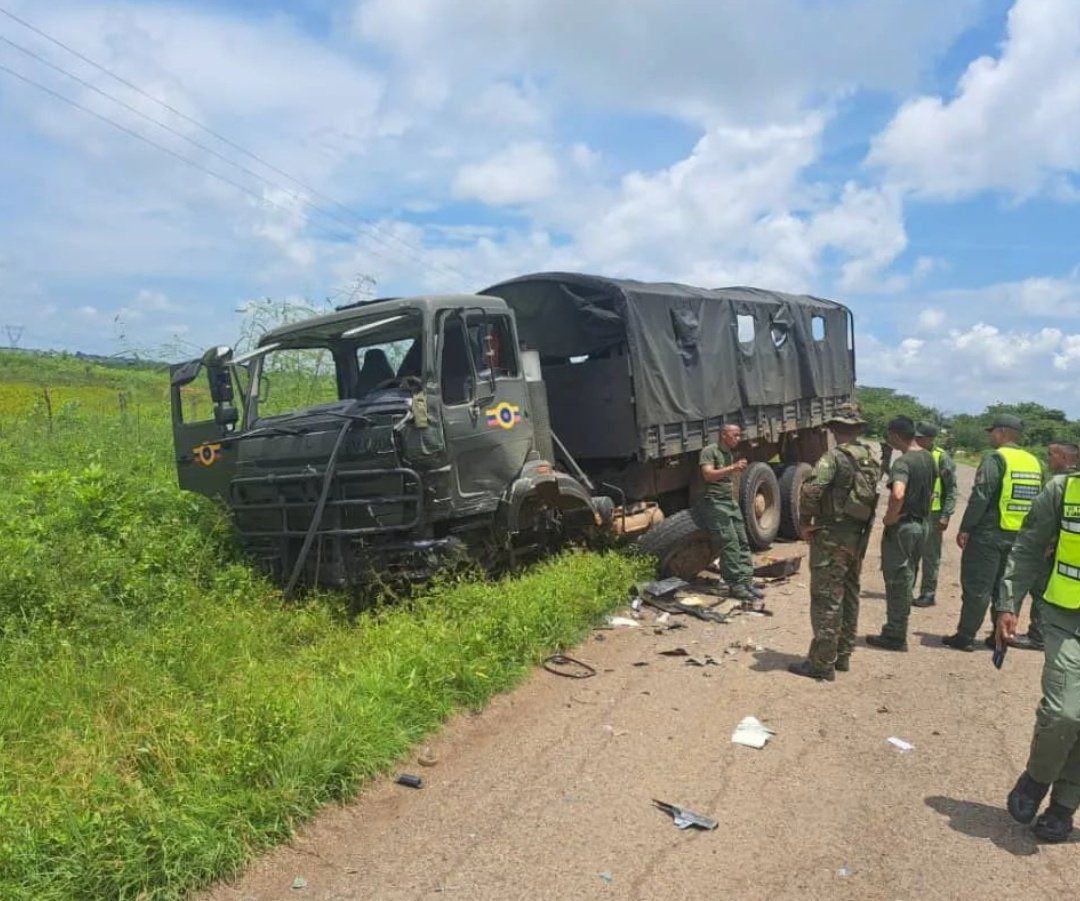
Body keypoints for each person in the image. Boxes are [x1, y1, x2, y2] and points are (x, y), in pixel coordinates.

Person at [994, 468, 1080, 842]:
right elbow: (1028, 546)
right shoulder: (1063, 490)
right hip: (1066, 617)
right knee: (1064, 712)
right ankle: (1037, 778)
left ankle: (1064, 807)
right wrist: (1008, 601)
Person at [788, 404, 881, 681]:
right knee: (850, 593)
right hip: (857, 536)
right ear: (858, 429)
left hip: (832, 536)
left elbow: (812, 489)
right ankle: (842, 655)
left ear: (836, 429)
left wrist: (805, 522)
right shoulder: (870, 457)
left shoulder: (834, 458)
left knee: (827, 597)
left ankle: (821, 663)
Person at [943, 415, 1043, 652]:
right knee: (1005, 588)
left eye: (992, 432)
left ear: (1001, 432)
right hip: (1021, 537)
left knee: (978, 586)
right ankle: (999, 636)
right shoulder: (1035, 462)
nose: (989, 436)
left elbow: (980, 496)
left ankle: (966, 636)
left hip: (990, 533)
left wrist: (966, 527)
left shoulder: (996, 459)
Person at [866, 415, 935, 652]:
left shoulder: (903, 462)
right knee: (909, 576)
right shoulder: (928, 458)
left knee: (898, 579)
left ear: (895, 435)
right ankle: (896, 629)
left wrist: (889, 518)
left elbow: (898, 494)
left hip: (904, 527)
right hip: (922, 525)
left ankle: (895, 633)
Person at [1013, 441, 1080, 651]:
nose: (1048, 458)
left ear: (1064, 457)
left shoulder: (1062, 484)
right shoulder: (1067, 483)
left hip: (1052, 553)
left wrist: (1047, 543)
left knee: (1042, 591)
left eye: (1051, 454)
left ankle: (1038, 634)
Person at [695, 424, 762, 605]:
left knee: (742, 541)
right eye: (735, 435)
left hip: (729, 503)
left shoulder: (728, 454)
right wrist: (733, 468)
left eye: (739, 435)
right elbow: (708, 475)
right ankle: (735, 586)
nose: (738, 439)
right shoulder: (710, 451)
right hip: (715, 503)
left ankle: (746, 581)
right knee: (730, 543)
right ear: (724, 435)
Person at [911, 422, 957, 608]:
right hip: (914, 512)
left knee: (930, 556)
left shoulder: (941, 458)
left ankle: (928, 593)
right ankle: (907, 589)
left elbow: (951, 489)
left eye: (921, 437)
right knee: (911, 553)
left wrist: (946, 515)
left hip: (933, 514)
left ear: (930, 439)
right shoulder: (913, 454)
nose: (917, 440)